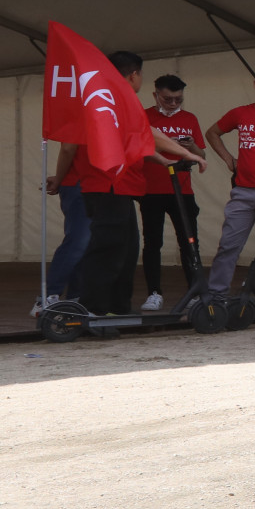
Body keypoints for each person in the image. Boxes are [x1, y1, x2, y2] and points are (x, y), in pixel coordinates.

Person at [75, 51, 207, 316]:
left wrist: (165, 161)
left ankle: (117, 308)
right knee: (110, 249)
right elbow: (149, 134)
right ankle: (93, 308)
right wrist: (185, 153)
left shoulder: (110, 96)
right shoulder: (117, 97)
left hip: (119, 186)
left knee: (126, 249)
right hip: (109, 184)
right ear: (134, 75)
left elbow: (139, 141)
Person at [204, 64, 255, 307]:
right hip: (243, 191)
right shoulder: (240, 113)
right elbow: (212, 133)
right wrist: (230, 160)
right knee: (229, 245)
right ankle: (217, 296)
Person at [137, 74, 203, 311]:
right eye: (168, 99)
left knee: (189, 243)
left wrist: (190, 147)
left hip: (183, 191)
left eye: (178, 100)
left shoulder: (190, 118)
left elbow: (201, 155)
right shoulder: (143, 116)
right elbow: (138, 150)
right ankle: (154, 292)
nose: (173, 104)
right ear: (155, 95)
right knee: (152, 242)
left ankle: (195, 291)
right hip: (152, 190)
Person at [36, 142, 92, 314]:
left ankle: (75, 297)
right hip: (80, 183)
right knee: (78, 241)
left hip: (90, 183)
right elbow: (68, 148)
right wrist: (60, 178)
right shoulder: (80, 117)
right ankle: (48, 297)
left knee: (85, 242)